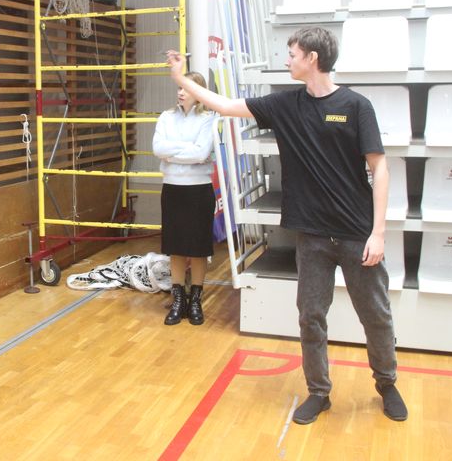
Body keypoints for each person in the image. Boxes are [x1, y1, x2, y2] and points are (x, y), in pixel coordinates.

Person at [165, 26, 407, 424]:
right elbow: (225, 106)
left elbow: (379, 168)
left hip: (356, 234)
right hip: (311, 236)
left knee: (375, 315)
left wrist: (378, 233)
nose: (286, 60)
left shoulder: (357, 106)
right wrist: (181, 78)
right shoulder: (285, 105)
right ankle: (319, 392)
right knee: (310, 317)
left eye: (292, 54)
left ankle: (387, 383)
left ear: (312, 58)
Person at [152, 71, 216, 326]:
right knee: (176, 248)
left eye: (186, 88)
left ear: (198, 92)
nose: (180, 92)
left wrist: (172, 152)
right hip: (172, 189)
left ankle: (196, 300)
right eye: (179, 87)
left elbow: (201, 153)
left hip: (199, 189)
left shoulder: (209, 118)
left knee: (199, 249)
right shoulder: (166, 117)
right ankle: (178, 299)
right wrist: (186, 150)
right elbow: (158, 148)